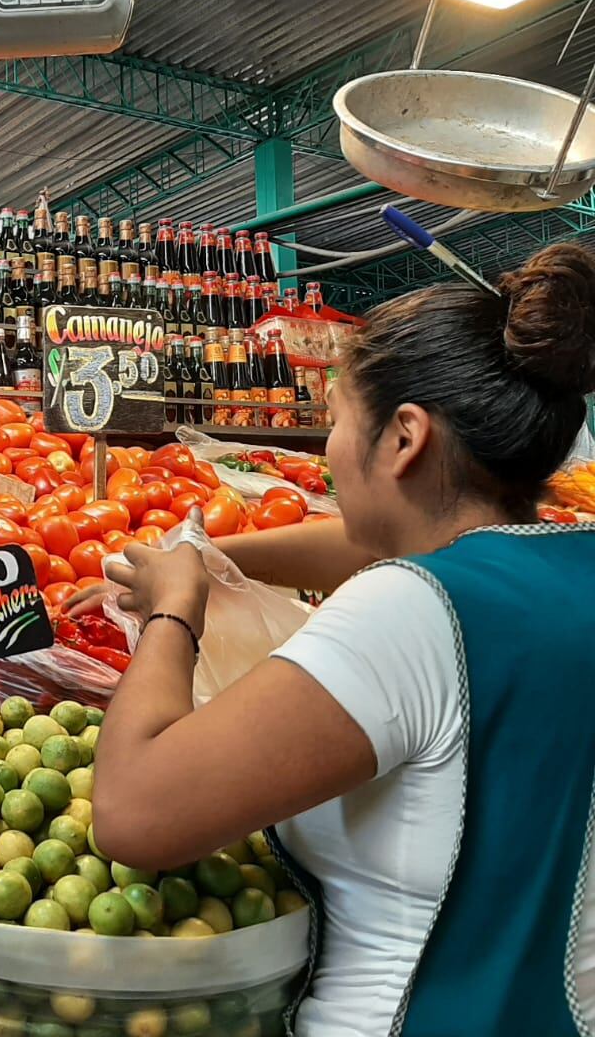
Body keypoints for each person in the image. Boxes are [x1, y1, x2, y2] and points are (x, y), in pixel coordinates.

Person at [72, 244, 595, 1035]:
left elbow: (133, 814)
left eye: (338, 418)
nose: (327, 449)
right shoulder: (563, 564)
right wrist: (210, 557)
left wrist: (176, 612)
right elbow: (392, 547)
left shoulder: (414, 611)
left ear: (404, 438)